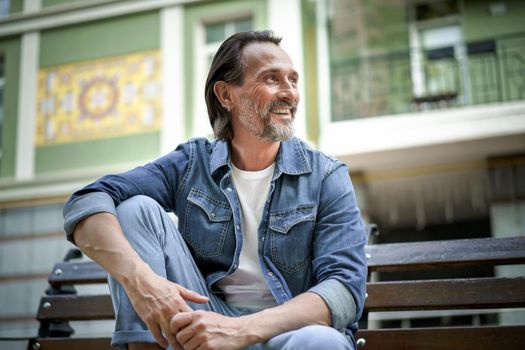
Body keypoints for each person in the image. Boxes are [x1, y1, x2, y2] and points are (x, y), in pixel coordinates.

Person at [63, 30, 367, 350]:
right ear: (226, 95)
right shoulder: (192, 163)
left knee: (322, 343)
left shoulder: (326, 175)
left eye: (293, 80)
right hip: (202, 324)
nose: (289, 92)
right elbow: (86, 201)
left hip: (290, 330)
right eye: (271, 79)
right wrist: (142, 283)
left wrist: (239, 330)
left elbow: (344, 291)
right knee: (132, 209)